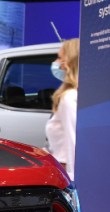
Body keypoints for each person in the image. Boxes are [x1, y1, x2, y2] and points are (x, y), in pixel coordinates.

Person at [46, 38, 79, 181]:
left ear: (70, 62)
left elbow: (73, 140)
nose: (56, 63)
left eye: (60, 58)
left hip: (67, 173)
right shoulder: (74, 94)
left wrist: (72, 179)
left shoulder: (69, 97)